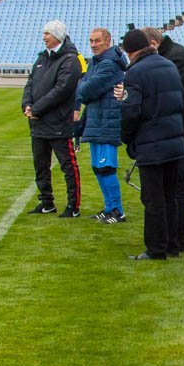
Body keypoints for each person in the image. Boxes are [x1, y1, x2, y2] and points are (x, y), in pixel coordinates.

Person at [119, 29, 184, 260]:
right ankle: (173, 243)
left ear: (131, 52)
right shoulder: (169, 66)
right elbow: (182, 101)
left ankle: (156, 248)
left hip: (151, 143)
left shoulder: (134, 73)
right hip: (175, 140)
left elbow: (131, 112)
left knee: (153, 198)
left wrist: (127, 138)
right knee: (171, 197)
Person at [143, 27, 184, 253]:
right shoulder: (175, 54)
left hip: (183, 130)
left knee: (178, 188)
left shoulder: (175, 58)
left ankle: (180, 236)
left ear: (152, 43)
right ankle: (178, 236)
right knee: (178, 187)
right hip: (182, 128)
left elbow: (171, 95)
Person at [23, 20, 83, 218]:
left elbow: (62, 90)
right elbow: (30, 83)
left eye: (47, 33)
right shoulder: (42, 58)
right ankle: (46, 202)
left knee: (68, 166)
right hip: (38, 122)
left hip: (58, 122)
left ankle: (73, 206)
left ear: (57, 35)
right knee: (40, 165)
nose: (44, 37)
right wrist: (27, 105)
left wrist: (37, 108)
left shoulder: (70, 59)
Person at [77, 27, 127, 223]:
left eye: (97, 41)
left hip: (107, 121)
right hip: (97, 120)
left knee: (106, 167)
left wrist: (82, 86)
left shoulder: (109, 64)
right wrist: (83, 86)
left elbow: (85, 89)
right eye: (91, 40)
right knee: (98, 167)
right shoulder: (97, 63)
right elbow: (83, 87)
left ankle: (118, 210)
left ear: (108, 41)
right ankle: (109, 208)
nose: (93, 45)